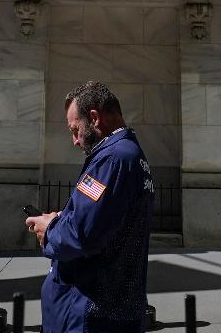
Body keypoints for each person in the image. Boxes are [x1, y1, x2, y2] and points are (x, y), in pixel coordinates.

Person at [26, 81, 153, 333]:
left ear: (94, 118)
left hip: (90, 311)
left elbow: (82, 235)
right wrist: (63, 218)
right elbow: (103, 220)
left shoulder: (113, 158)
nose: (74, 141)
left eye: (75, 129)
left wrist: (49, 229)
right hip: (109, 306)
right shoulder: (129, 155)